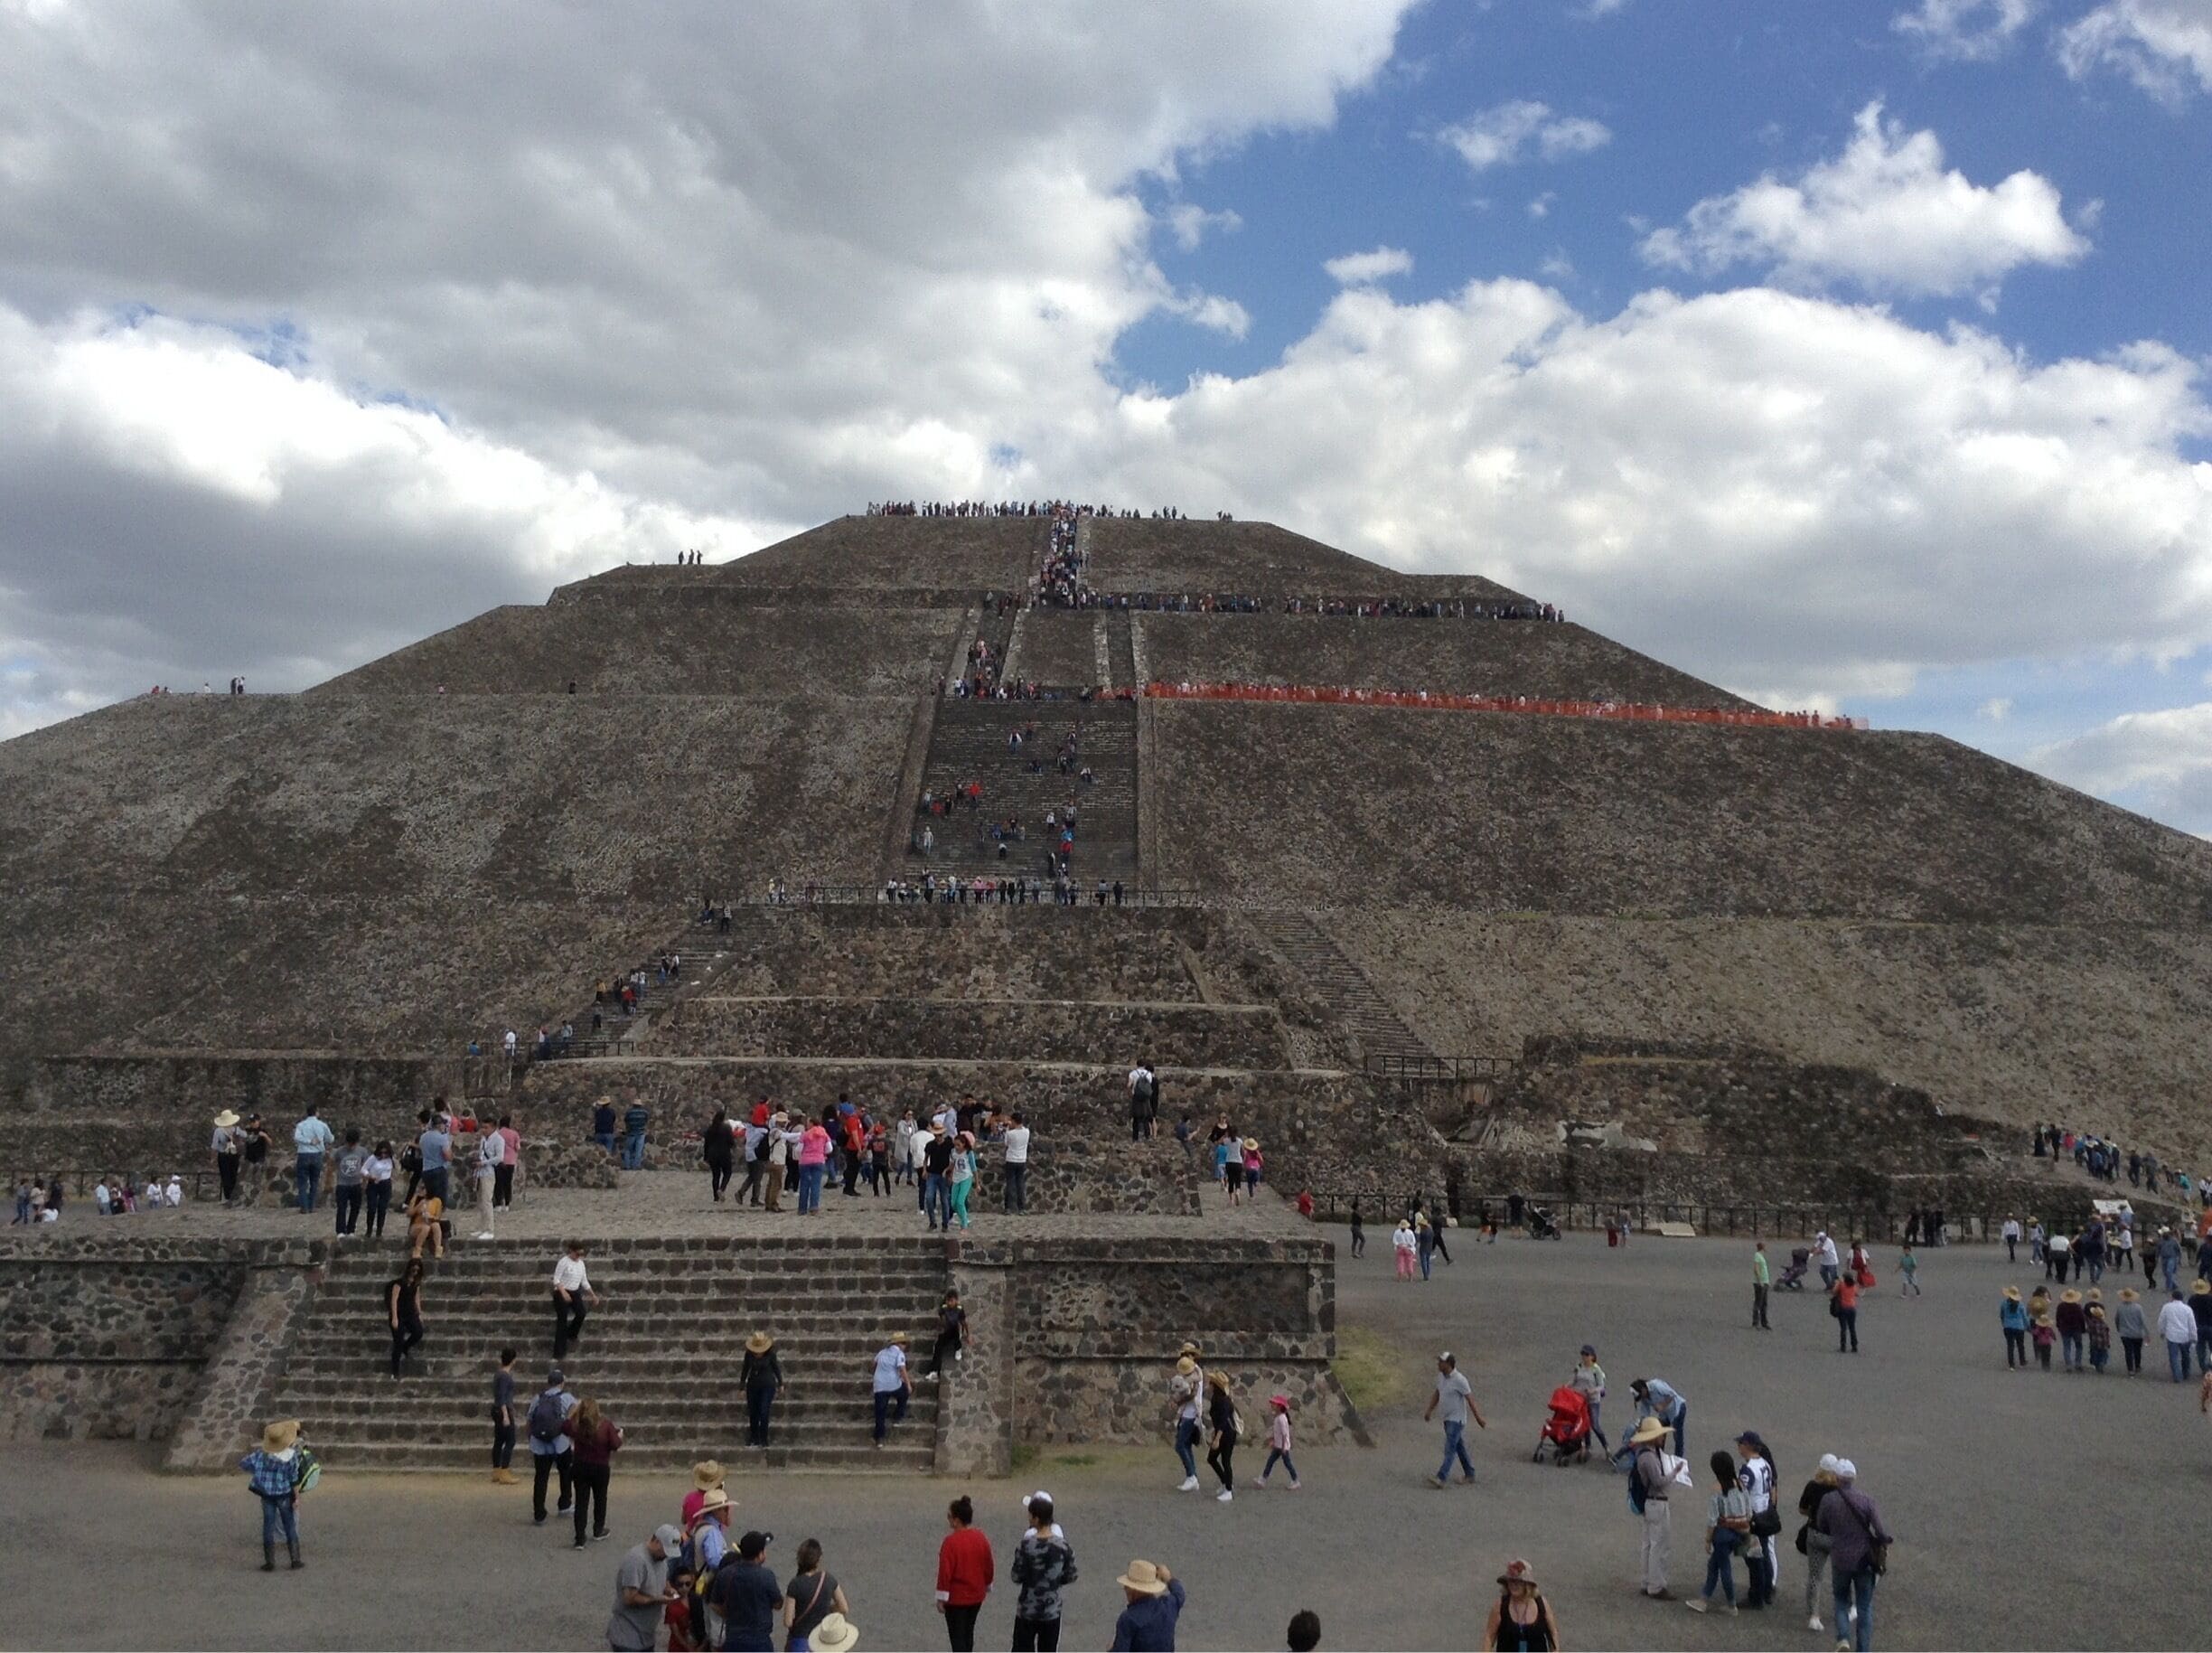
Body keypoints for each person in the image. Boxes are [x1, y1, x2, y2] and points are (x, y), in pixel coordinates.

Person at [1817, 1460, 1890, 1653]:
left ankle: (1843, 1639)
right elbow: (1880, 1531)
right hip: (1864, 1559)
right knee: (1864, 1606)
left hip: (1840, 1557)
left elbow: (1821, 1525)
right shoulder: (1867, 1501)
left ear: (1837, 1478)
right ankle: (1863, 1650)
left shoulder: (1828, 1500)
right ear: (1854, 1478)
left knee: (1841, 1599)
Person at [239, 1419, 309, 1572]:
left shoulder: (261, 1455)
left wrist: (258, 1472)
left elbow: (244, 1463)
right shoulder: (291, 1456)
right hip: (284, 1493)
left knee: (268, 1525)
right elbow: (293, 1478)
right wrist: (296, 1497)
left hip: (266, 1494)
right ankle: (295, 1559)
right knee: (289, 1524)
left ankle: (269, 1561)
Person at [1011, 1491, 1077, 1652]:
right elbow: (1071, 1575)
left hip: (1028, 1608)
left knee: (1021, 1648)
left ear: (1036, 1518)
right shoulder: (1063, 1546)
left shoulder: (1026, 1545)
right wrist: (1055, 1581)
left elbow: (1016, 1576)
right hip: (1052, 1609)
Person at [1686, 1449, 1749, 1615]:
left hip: (1722, 1534)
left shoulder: (1717, 1490)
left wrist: (1707, 1539)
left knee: (1723, 1567)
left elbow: (1713, 1519)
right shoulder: (1741, 1485)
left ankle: (1731, 1604)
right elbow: (1749, 1509)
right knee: (1713, 1565)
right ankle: (1703, 1599)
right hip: (1740, 1532)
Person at [607, 1526, 682, 1653]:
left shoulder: (661, 1559)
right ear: (657, 1541)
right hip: (628, 1636)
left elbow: (663, 1580)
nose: (666, 1556)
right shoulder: (636, 1560)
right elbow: (629, 1598)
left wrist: (668, 1590)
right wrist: (657, 1599)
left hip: (646, 1636)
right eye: (665, 1550)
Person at [935, 1496, 993, 1652]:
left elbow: (945, 1572)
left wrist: (941, 1597)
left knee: (957, 1638)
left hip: (956, 1599)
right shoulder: (980, 1538)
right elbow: (988, 1564)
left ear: (956, 1520)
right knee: (968, 1633)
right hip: (976, 1596)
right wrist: (987, 1583)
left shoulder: (951, 1542)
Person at [1628, 1416, 1676, 1600]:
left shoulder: (1643, 1454)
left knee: (1648, 1544)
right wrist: (1675, 1473)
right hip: (1657, 1502)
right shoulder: (1649, 1457)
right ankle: (1656, 1585)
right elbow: (1659, 1481)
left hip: (1650, 1503)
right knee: (1660, 1544)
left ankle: (1647, 1581)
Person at [565, 1395, 623, 1548]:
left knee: (581, 1502)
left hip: (580, 1466)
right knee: (600, 1499)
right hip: (600, 1467)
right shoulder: (605, 1425)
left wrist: (573, 1413)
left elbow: (563, 1426)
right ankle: (598, 1529)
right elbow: (615, 1444)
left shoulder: (577, 1426)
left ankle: (579, 1538)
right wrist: (620, 1436)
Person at [714, 1529, 785, 1653]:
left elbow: (714, 1603)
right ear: (760, 1554)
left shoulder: (726, 1574)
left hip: (733, 1639)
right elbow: (778, 1604)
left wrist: (729, 1614)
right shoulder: (766, 1576)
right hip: (760, 1641)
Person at [1423, 1350, 1485, 1488]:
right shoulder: (1441, 1377)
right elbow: (1437, 1393)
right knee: (1459, 1446)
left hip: (1456, 1420)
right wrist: (1429, 1410)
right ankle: (1470, 1473)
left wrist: (1479, 1418)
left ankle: (1441, 1477)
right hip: (1446, 1418)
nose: (1438, 1364)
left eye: (1441, 1362)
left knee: (1449, 1448)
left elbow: (1470, 1399)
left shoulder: (1460, 1380)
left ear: (1449, 1364)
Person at [528, 1368, 579, 1525]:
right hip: (560, 1443)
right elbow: (578, 1409)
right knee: (565, 1473)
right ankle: (564, 1504)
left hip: (539, 1444)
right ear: (562, 1382)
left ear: (548, 1382)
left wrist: (531, 1437)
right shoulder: (567, 1397)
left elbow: (529, 1419)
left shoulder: (538, 1398)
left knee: (541, 1477)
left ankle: (539, 1512)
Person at [1798, 1452, 1842, 1635]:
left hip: (1815, 1534)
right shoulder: (1839, 1491)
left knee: (1815, 1576)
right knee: (1842, 1573)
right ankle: (1844, 1608)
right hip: (1835, 1539)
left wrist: (1813, 1514)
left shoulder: (1812, 1486)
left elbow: (1802, 1509)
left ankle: (1813, 1616)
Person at [1735, 1430, 1779, 1609]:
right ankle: (1767, 1590)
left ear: (1747, 1446)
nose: (1738, 1447)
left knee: (1753, 1556)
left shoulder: (1749, 1469)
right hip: (1766, 1513)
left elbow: (1741, 1492)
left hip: (1752, 1516)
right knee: (1765, 1553)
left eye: (1740, 1444)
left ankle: (1756, 1595)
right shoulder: (1765, 1464)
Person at [783, 1536, 849, 1652]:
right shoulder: (829, 1579)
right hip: (822, 1640)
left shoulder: (795, 1584)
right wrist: (826, 1609)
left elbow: (788, 1621)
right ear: (819, 1560)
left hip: (800, 1641)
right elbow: (843, 1608)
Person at [1109, 1559, 1183, 1652]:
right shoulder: (1168, 1607)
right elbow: (1179, 1594)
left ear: (1132, 1590)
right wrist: (1169, 1578)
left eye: (1126, 1586)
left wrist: (1110, 1649)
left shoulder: (1128, 1619)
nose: (1124, 1588)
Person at [1484, 1559, 1558, 1650]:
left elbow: (1553, 1634)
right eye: (1511, 1581)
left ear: (1528, 1585)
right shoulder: (1500, 1606)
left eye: (1518, 1582)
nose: (1513, 1585)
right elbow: (1489, 1637)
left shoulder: (1542, 1605)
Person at [553, 1239, 597, 1359]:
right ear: (571, 1251)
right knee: (562, 1320)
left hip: (574, 1292)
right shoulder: (564, 1262)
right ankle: (559, 1352)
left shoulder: (581, 1264)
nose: (579, 1257)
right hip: (561, 1292)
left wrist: (593, 1295)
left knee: (581, 1313)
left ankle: (571, 1334)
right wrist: (563, 1292)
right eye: (577, 1254)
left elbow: (584, 1281)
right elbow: (556, 1279)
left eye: (581, 1254)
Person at [743, 1331, 784, 1450]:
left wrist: (781, 1383)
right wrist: (741, 1387)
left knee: (764, 1411)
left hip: (767, 1386)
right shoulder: (749, 1355)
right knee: (753, 1412)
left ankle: (764, 1439)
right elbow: (745, 1369)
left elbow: (776, 1368)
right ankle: (754, 1438)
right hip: (753, 1386)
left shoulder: (770, 1354)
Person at [385, 1258, 425, 1379]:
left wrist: (419, 1314)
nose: (415, 1272)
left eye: (418, 1270)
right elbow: (394, 1300)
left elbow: (416, 1299)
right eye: (414, 1269)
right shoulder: (399, 1283)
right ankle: (395, 1372)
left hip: (410, 1313)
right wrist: (395, 1317)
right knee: (398, 1342)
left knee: (418, 1332)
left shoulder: (416, 1284)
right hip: (399, 1314)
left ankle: (405, 1347)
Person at [1169, 1352, 1204, 1491]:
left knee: (1180, 1445)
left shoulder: (1195, 1375)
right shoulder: (1190, 1374)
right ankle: (1192, 1476)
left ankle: (1191, 1476)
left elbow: (1191, 1394)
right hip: (1186, 1413)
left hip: (1191, 1414)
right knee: (1186, 1445)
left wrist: (1177, 1401)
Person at [292, 1106, 334, 1214]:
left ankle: (304, 1207)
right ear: (316, 1113)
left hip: (303, 1154)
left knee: (302, 1182)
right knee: (314, 1181)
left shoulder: (301, 1125)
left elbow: (296, 1137)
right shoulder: (322, 1125)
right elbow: (330, 1139)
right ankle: (311, 1206)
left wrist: (308, 1141)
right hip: (317, 1154)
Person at [1253, 1393, 1300, 1489]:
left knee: (1287, 1464)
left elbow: (1284, 1434)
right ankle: (1263, 1479)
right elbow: (1277, 1433)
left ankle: (1295, 1480)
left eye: (1274, 1404)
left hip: (1282, 1447)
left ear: (1279, 1406)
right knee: (1270, 1462)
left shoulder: (1281, 1418)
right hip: (1278, 1446)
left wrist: (1283, 1447)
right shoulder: (1279, 1417)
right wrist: (1274, 1441)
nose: (1272, 1405)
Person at [1570, 1345, 1609, 1454]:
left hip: (1592, 1401)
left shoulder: (1596, 1370)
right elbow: (1574, 1381)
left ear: (1592, 1356)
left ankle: (1606, 1446)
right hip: (1579, 1400)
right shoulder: (1579, 1367)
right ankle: (1587, 1446)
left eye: (1586, 1354)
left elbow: (1602, 1386)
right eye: (1583, 1354)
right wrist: (1566, 1387)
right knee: (1583, 1423)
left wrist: (1593, 1391)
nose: (1584, 1357)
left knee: (1594, 1424)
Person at [872, 1332, 910, 1445]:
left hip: (879, 1385)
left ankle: (879, 1438)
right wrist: (908, 1384)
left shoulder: (882, 1352)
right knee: (904, 1393)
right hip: (893, 1384)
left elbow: (873, 1364)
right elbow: (902, 1369)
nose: (905, 1346)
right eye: (903, 1343)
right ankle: (897, 1416)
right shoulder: (900, 1354)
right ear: (898, 1344)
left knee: (880, 1413)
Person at [491, 1345, 520, 1484]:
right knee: (510, 1440)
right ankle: (504, 1471)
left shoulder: (498, 1374)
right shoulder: (505, 1376)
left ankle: (496, 1470)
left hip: (497, 1409)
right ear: (513, 1360)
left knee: (499, 1440)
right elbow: (502, 1396)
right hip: (503, 1410)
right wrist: (506, 1415)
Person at [925, 1290, 966, 1379]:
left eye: (951, 1301)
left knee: (955, 1331)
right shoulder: (944, 1308)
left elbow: (963, 1323)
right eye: (948, 1301)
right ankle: (934, 1371)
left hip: (955, 1330)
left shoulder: (959, 1310)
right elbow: (942, 1322)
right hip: (947, 1330)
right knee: (938, 1346)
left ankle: (958, 1348)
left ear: (956, 1300)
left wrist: (968, 1334)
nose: (949, 1303)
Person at [2160, 1288, 2196, 1381]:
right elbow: (2192, 1324)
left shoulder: (2167, 1307)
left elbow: (2162, 1321)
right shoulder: (2188, 1309)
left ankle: (2177, 1376)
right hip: (2185, 1336)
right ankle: (2186, 1373)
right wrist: (2194, 1337)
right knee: (2186, 1356)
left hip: (2172, 1336)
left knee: (2173, 1357)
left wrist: (2162, 1332)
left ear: (2172, 1297)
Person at [363, 1139, 395, 1238]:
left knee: (382, 1208)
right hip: (374, 1183)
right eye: (382, 1152)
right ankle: (369, 1230)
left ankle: (379, 1230)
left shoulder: (391, 1159)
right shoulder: (373, 1158)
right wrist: (370, 1176)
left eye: (385, 1153)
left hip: (385, 1184)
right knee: (372, 1207)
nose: (383, 1155)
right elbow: (363, 1169)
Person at [212, 1109, 243, 1206]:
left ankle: (227, 1197)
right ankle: (233, 1197)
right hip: (234, 1155)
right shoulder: (237, 1130)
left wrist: (212, 1157)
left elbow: (214, 1146)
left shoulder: (218, 1131)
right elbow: (244, 1137)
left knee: (225, 1176)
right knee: (233, 1175)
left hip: (223, 1155)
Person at [1002, 1112, 1031, 1214]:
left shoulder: (1010, 1133)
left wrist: (1007, 1128)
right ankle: (1021, 1207)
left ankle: (1008, 1207)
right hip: (1022, 1159)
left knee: (1010, 1184)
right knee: (1020, 1184)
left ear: (1014, 1121)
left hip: (1011, 1159)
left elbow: (1006, 1144)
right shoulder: (1027, 1132)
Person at [2116, 1287, 2148, 1376]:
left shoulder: (2120, 1307)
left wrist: (2119, 1329)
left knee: (2128, 1351)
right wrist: (2147, 1333)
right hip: (2137, 1333)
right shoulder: (2138, 1308)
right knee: (2137, 1350)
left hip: (2125, 1333)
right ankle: (2137, 1366)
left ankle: (2130, 1369)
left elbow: (2117, 1320)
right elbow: (2143, 1321)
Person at [1830, 1269, 1861, 1354]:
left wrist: (1838, 1282)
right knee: (1852, 1328)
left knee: (1843, 1328)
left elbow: (1834, 1292)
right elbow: (1857, 1293)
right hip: (1852, 1308)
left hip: (1843, 1308)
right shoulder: (1854, 1286)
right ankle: (1854, 1346)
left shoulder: (1842, 1285)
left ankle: (1843, 1346)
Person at [2000, 1286, 2029, 1367]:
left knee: (2010, 1346)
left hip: (2008, 1327)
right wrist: (2028, 1327)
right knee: (2021, 1345)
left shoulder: (2004, 1304)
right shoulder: (2020, 1305)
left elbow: (2002, 1315)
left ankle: (2011, 1364)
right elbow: (2024, 1317)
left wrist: (2004, 1323)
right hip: (2019, 1327)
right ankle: (2022, 1361)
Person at [1751, 1241, 1772, 1329]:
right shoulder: (1757, 1256)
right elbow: (1756, 1269)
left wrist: (1767, 1281)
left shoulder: (1761, 1256)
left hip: (1765, 1282)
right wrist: (1760, 1281)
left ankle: (1764, 1322)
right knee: (1758, 1302)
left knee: (1764, 1303)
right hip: (1760, 1283)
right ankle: (1756, 1322)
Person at [1392, 1217, 1418, 1281]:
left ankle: (1400, 1277)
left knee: (1400, 1262)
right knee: (1409, 1263)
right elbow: (1413, 1241)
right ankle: (1410, 1277)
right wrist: (1409, 1245)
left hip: (1400, 1248)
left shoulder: (1397, 1232)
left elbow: (1394, 1240)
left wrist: (1398, 1245)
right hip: (1409, 1248)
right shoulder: (1410, 1232)